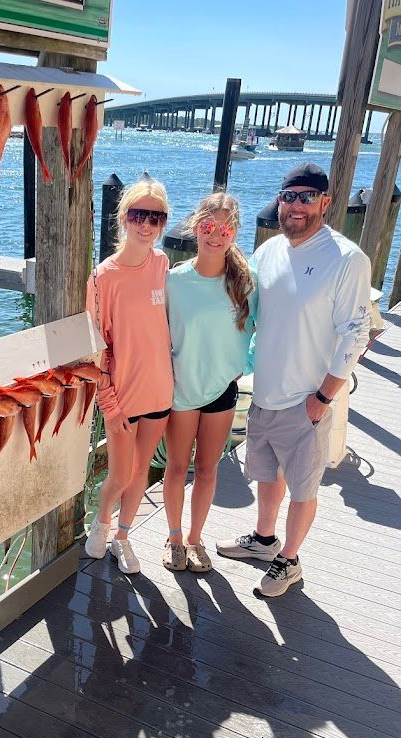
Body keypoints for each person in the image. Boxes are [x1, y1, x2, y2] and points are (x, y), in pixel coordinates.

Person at [217, 162, 371, 597]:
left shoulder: (346, 258)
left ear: (325, 202)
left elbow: (356, 333)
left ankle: (290, 560)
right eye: (289, 197)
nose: (296, 205)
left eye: (307, 197)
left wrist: (324, 396)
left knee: (304, 487)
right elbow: (248, 312)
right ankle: (264, 540)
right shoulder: (269, 251)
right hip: (264, 393)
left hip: (307, 399)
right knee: (268, 475)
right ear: (279, 201)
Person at [84, 177, 174, 574]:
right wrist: (109, 403)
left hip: (160, 391)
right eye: (139, 215)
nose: (147, 225)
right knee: (120, 474)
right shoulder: (103, 277)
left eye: (157, 217)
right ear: (123, 217)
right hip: (122, 395)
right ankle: (102, 522)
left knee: (140, 472)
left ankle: (123, 536)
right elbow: (96, 349)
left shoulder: (163, 264)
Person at [162, 192, 256, 572]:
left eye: (225, 229)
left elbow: (264, 329)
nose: (216, 235)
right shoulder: (173, 281)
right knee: (176, 466)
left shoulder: (245, 283)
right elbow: (156, 333)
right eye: (208, 226)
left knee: (206, 469)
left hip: (222, 390)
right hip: (181, 390)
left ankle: (195, 537)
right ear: (195, 226)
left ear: (234, 234)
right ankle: (174, 538)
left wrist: (244, 363)